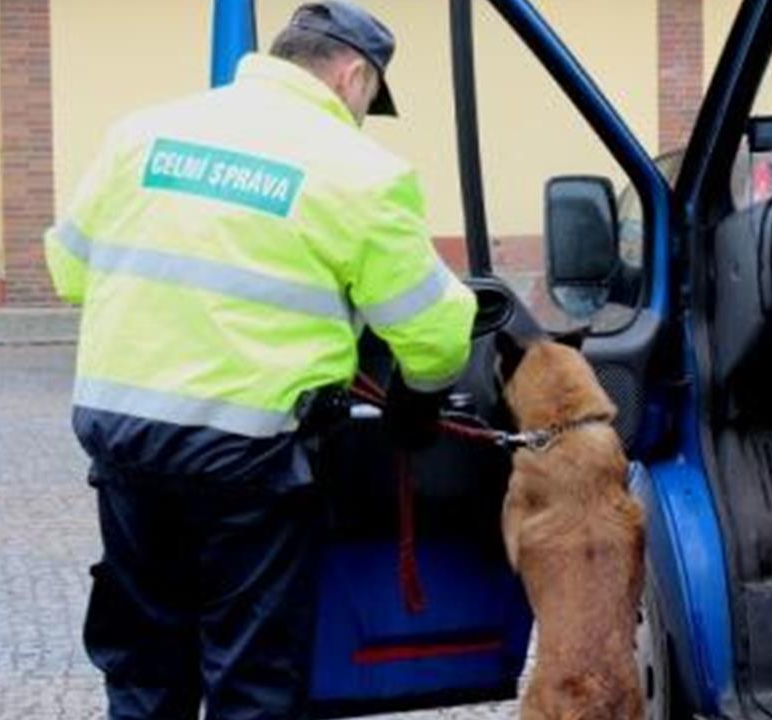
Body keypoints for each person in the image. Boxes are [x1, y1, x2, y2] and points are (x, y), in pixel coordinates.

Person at [43, 2, 476, 718]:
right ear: (353, 75)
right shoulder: (360, 172)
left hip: (126, 450)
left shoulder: (141, 134)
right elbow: (436, 336)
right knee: (252, 684)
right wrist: (416, 403)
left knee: (146, 672)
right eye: (370, 99)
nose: (362, 116)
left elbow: (68, 271)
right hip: (248, 466)